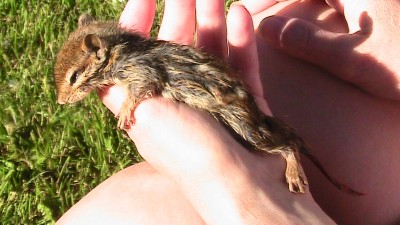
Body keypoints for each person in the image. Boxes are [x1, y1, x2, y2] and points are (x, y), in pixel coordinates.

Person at [56, 0, 400, 224]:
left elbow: (146, 78)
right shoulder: (126, 62)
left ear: (99, 53)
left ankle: (288, 154)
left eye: (74, 79)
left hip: (220, 97)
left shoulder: (129, 65)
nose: (67, 96)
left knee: (251, 131)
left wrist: (132, 102)